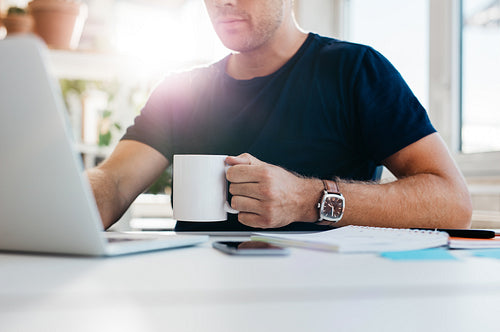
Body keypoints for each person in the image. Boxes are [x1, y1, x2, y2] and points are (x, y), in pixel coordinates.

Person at [86, 0, 472, 232]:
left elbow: (452, 202)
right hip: (195, 297)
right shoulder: (179, 91)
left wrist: (310, 199)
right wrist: (70, 193)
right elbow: (114, 182)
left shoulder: (355, 71)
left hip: (318, 303)